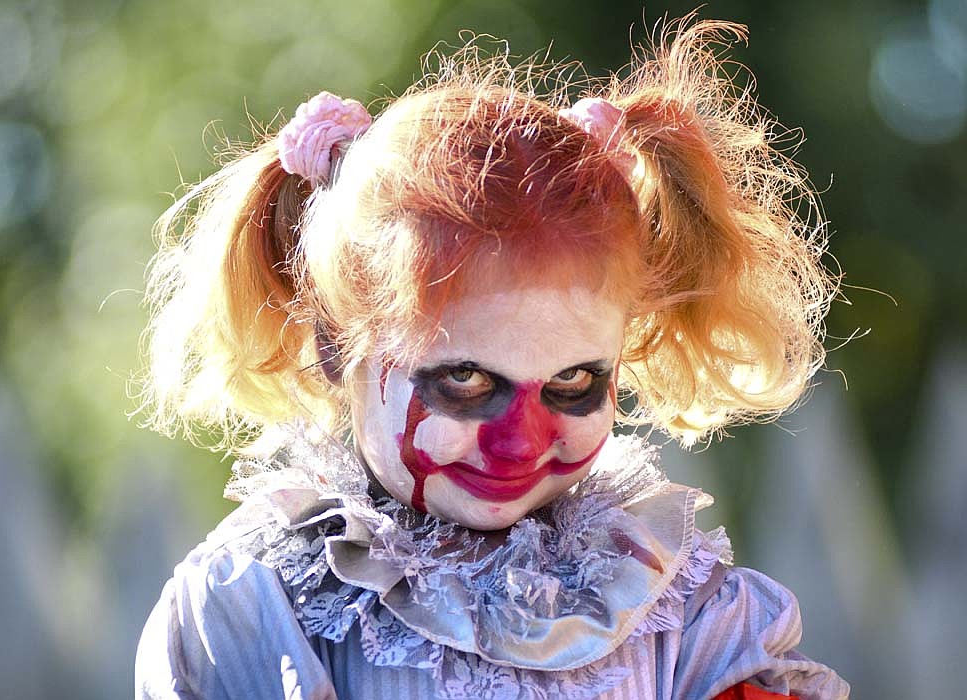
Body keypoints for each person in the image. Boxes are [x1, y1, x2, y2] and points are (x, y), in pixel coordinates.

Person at [134, 16, 850, 700]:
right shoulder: (262, 609)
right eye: (465, 379)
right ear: (332, 345)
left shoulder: (682, 614)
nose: (521, 441)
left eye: (573, 381)